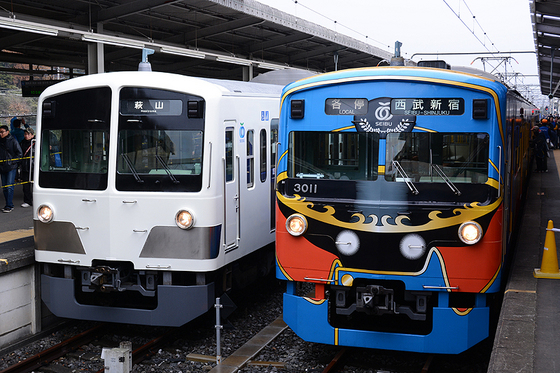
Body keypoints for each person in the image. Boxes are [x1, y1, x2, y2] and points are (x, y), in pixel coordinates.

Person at [0, 125, 23, 212]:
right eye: (0, 132)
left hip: (11, 167)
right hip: (2, 167)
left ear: (7, 132)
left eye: (2, 132)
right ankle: (8, 203)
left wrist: (12, 162)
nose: (1, 134)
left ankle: (9, 205)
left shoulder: (12, 140)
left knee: (9, 186)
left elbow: (19, 153)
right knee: (5, 187)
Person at [19, 127, 35, 208]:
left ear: (32, 135)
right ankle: (27, 201)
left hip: (34, 167)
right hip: (25, 167)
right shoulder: (22, 143)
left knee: (35, 185)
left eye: (28, 134)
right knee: (26, 185)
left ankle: (36, 200)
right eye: (25, 134)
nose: (26, 136)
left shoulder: (36, 143)